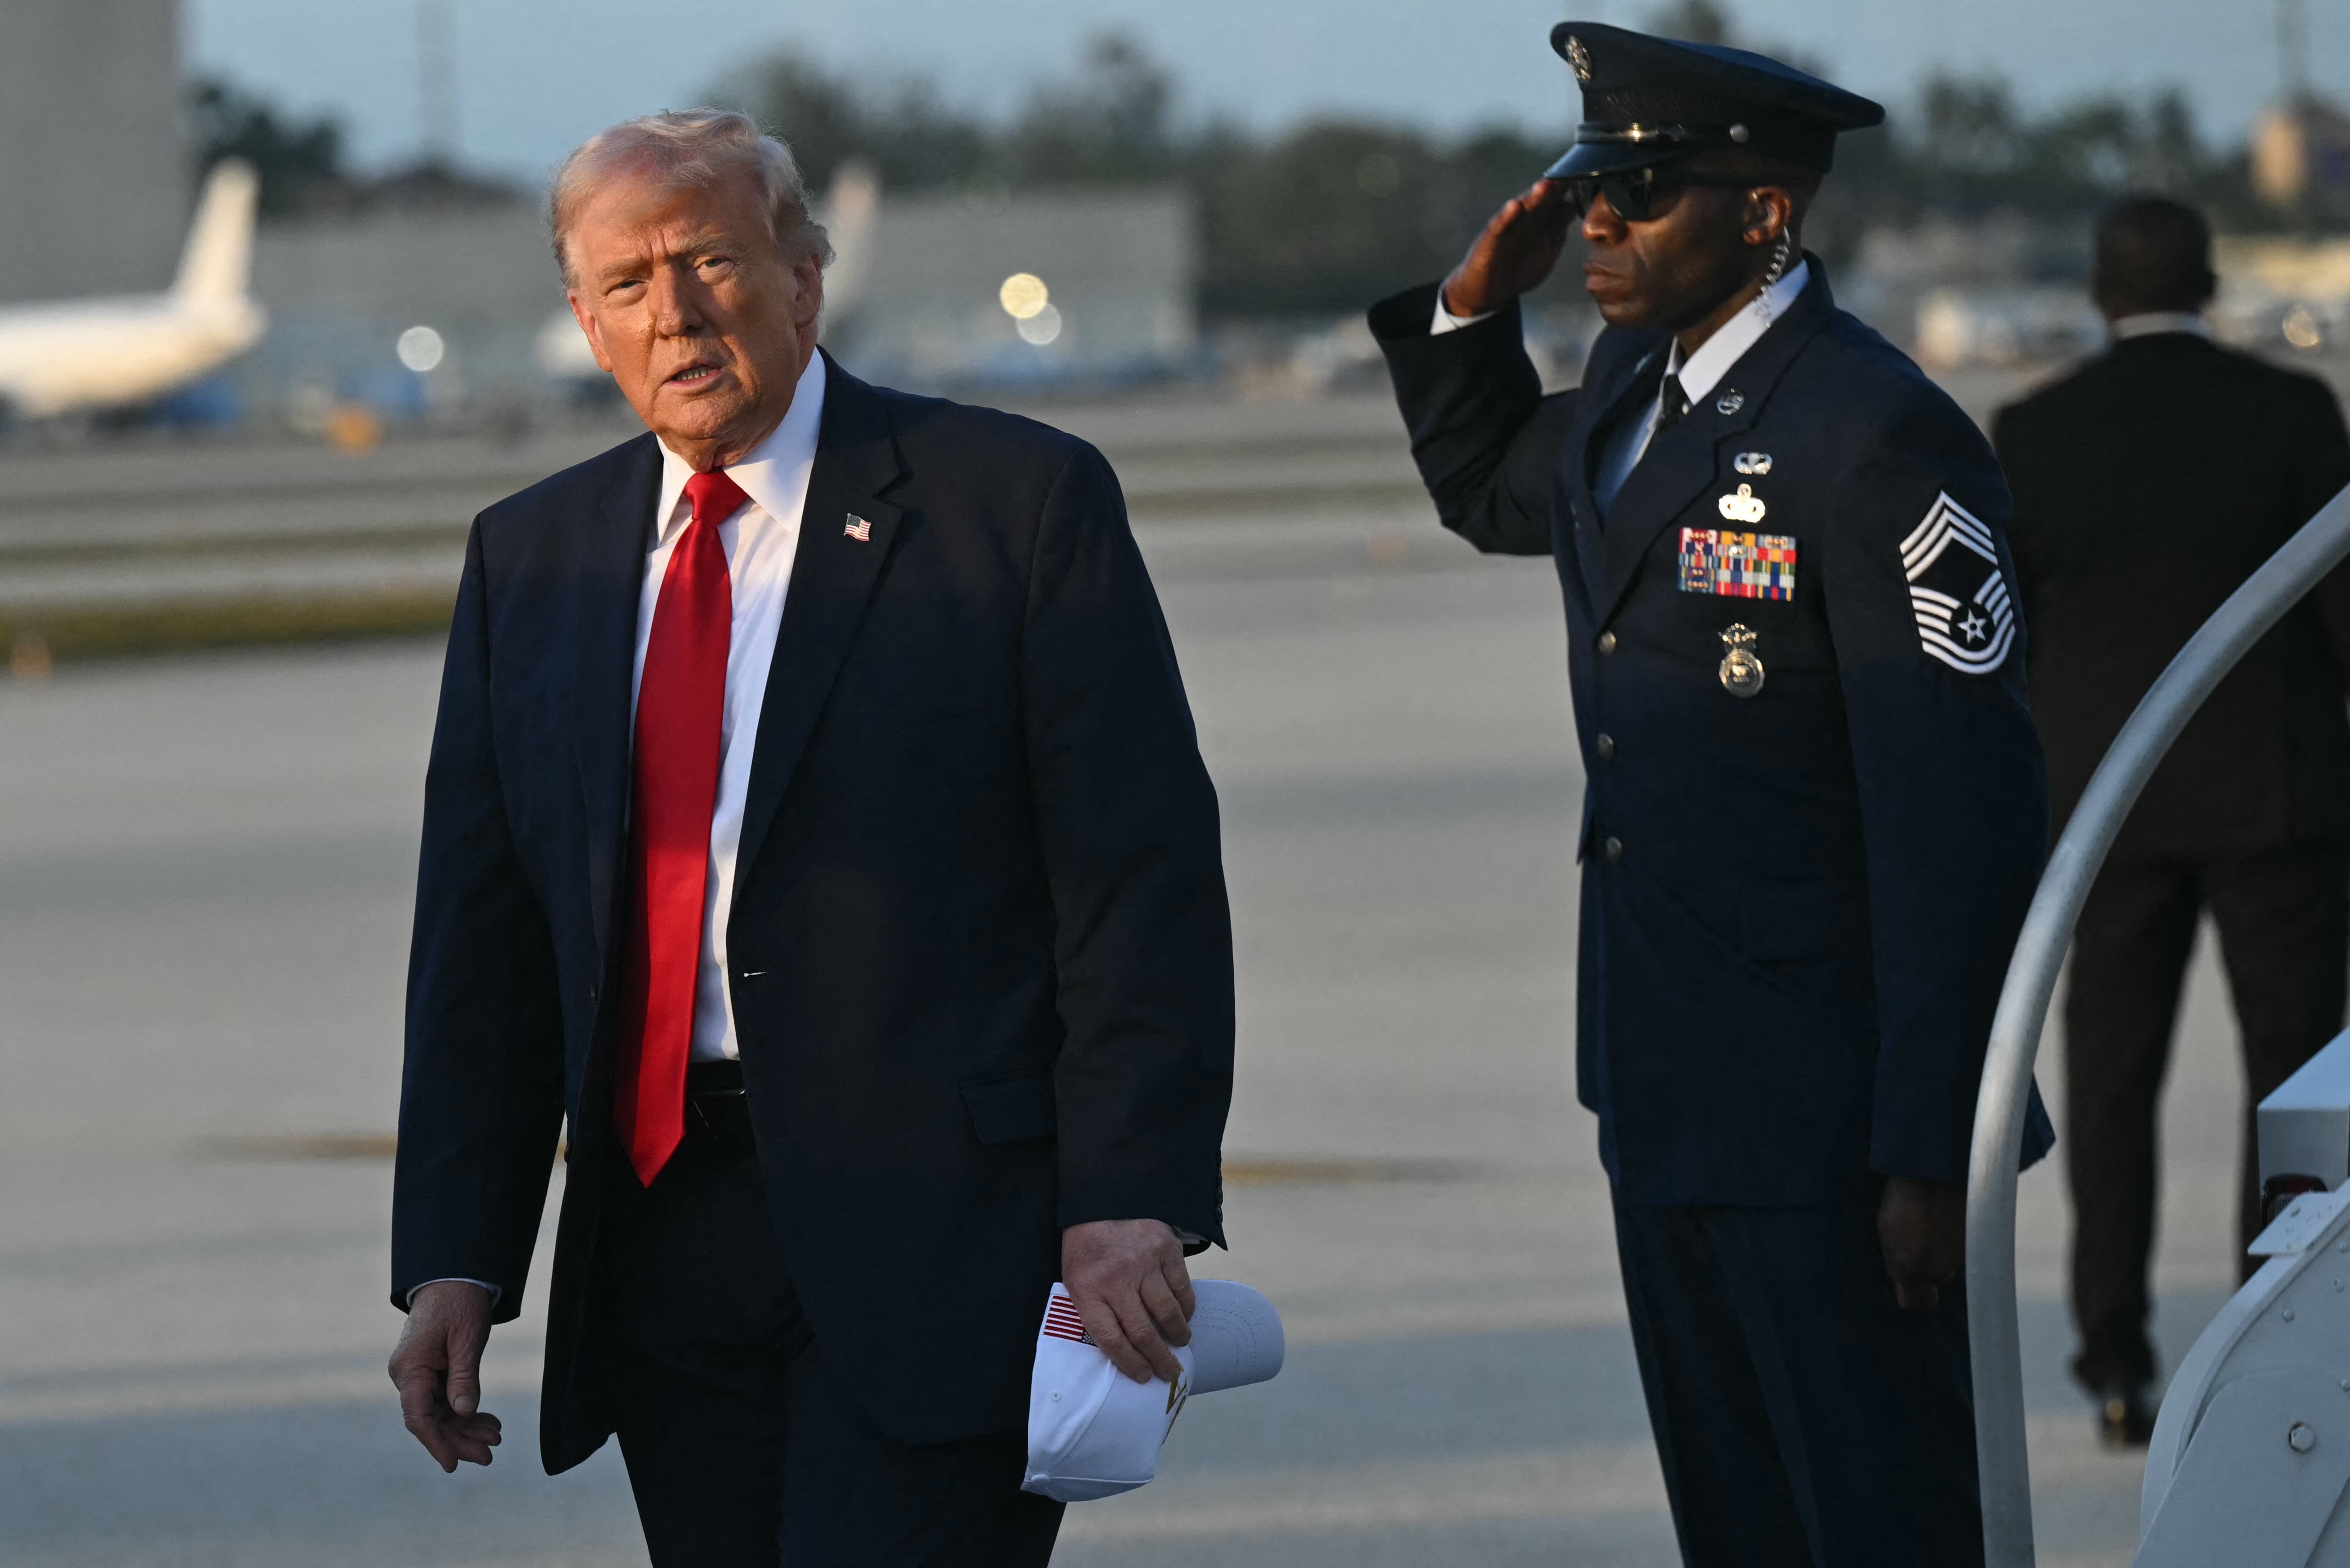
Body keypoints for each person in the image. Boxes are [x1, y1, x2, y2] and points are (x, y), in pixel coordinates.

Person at [383, 110, 1235, 1567]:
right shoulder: (533, 557)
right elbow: (489, 935)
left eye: (711, 258)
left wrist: (1128, 1197)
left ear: (804, 278)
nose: (679, 310)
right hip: (661, 1239)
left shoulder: (1011, 507)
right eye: (631, 284)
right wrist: (459, 1254)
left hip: (938, 1230)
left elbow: (1135, 878)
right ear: (587, 324)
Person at [1370, 23, 2053, 1567]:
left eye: (1644, 194)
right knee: (1738, 1518)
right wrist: (1474, 309)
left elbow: (1963, 814)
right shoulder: (1632, 384)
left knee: (1877, 1517)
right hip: (1665, 1072)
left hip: (1831, 1112)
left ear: (1765, 214)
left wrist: (1935, 1142)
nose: (1599, 225)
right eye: (1591, 189)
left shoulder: (1872, 435)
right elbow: (1494, 492)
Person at [1993, 195, 2350, 1448]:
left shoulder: (2034, 432)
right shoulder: (2294, 417)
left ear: (2098, 294)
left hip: (2113, 810)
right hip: (2278, 805)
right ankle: (2288, 1341)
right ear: (2209, 282)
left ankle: (2114, 1363)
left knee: (2110, 1088)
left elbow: (2010, 637)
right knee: (2297, 1089)